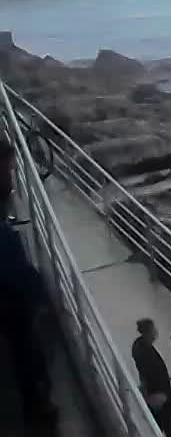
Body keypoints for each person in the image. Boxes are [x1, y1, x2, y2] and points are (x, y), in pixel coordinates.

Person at [1, 138, 56, 429]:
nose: (12, 180)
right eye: (8, 171)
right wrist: (38, 294)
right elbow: (21, 278)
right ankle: (37, 410)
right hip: (14, 312)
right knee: (27, 359)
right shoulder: (4, 237)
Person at [132, 317, 171, 437]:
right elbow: (149, 374)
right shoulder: (146, 354)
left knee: (165, 423)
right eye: (154, 330)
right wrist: (151, 396)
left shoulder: (139, 345)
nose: (156, 332)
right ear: (148, 333)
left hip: (159, 392)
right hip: (159, 395)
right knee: (162, 424)